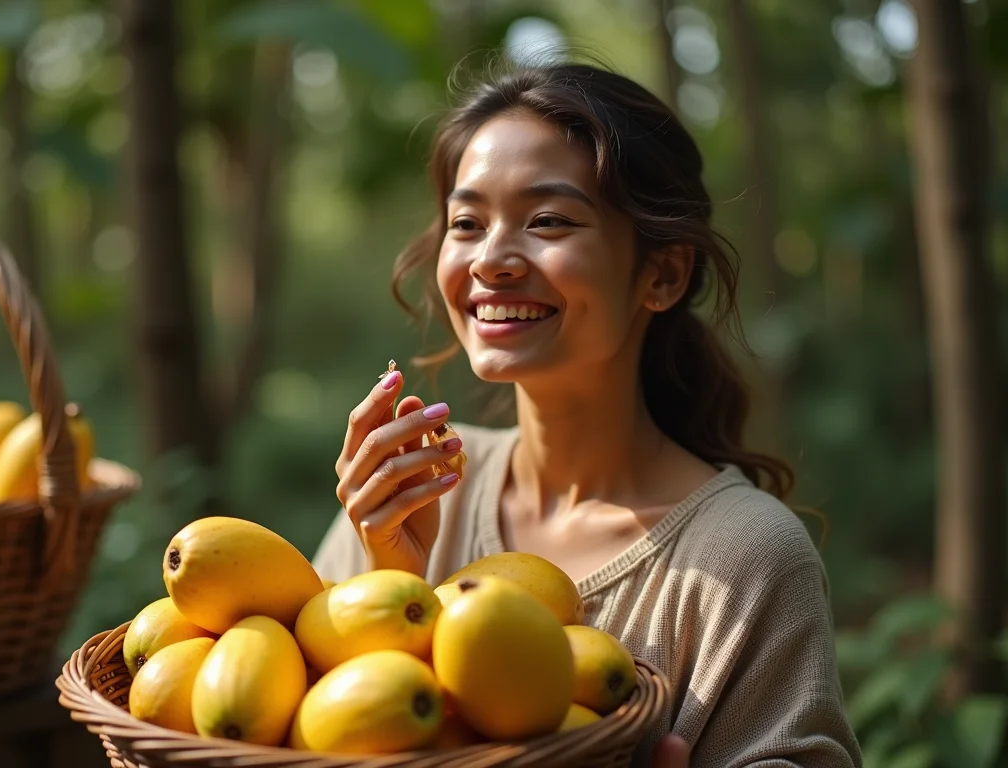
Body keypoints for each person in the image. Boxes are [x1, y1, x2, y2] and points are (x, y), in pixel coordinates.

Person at [312, 60, 862, 767]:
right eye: (467, 222)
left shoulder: (748, 557)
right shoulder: (414, 486)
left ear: (662, 274)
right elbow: (309, 729)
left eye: (546, 220)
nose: (491, 260)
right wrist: (395, 577)